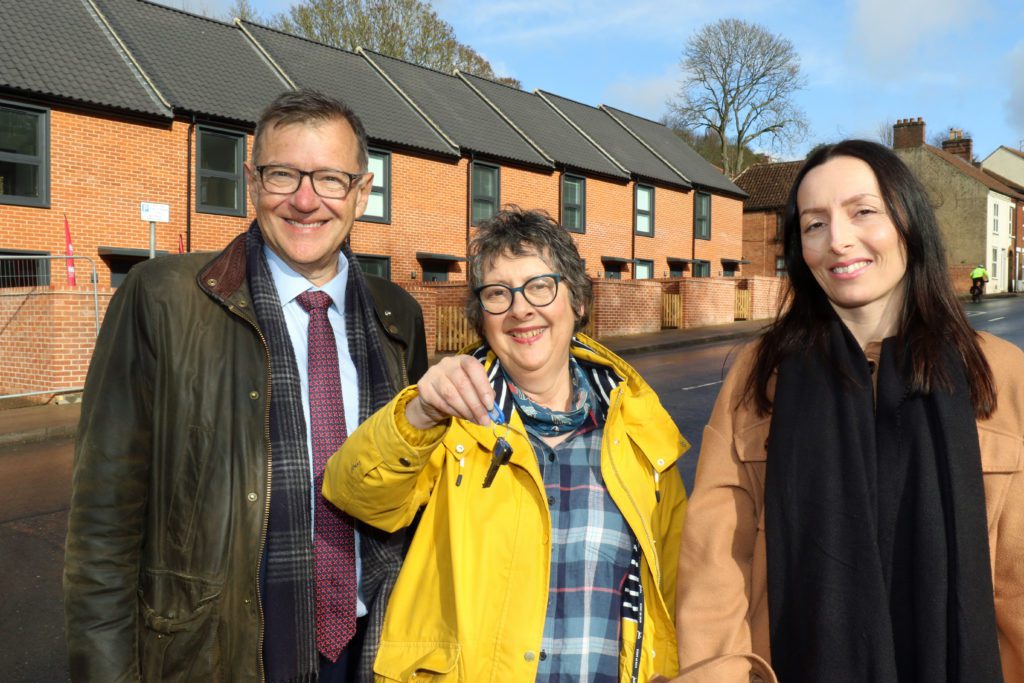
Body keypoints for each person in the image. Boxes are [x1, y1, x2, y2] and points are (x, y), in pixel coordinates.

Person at [63, 89, 428, 682]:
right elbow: (102, 527)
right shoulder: (161, 299)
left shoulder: (398, 317)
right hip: (218, 653)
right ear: (252, 181)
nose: (306, 201)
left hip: (374, 648)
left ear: (361, 193)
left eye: (331, 179)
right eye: (284, 174)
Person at [675, 140, 1024, 682]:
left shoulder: (1000, 374)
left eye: (863, 212)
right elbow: (716, 564)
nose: (837, 240)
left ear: (908, 222)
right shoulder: (757, 375)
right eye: (814, 224)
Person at [323, 207, 688, 681]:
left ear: (577, 301)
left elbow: (676, 588)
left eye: (539, 286)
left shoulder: (642, 434)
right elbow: (353, 492)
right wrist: (419, 413)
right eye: (498, 293)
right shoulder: (447, 422)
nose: (520, 309)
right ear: (483, 317)